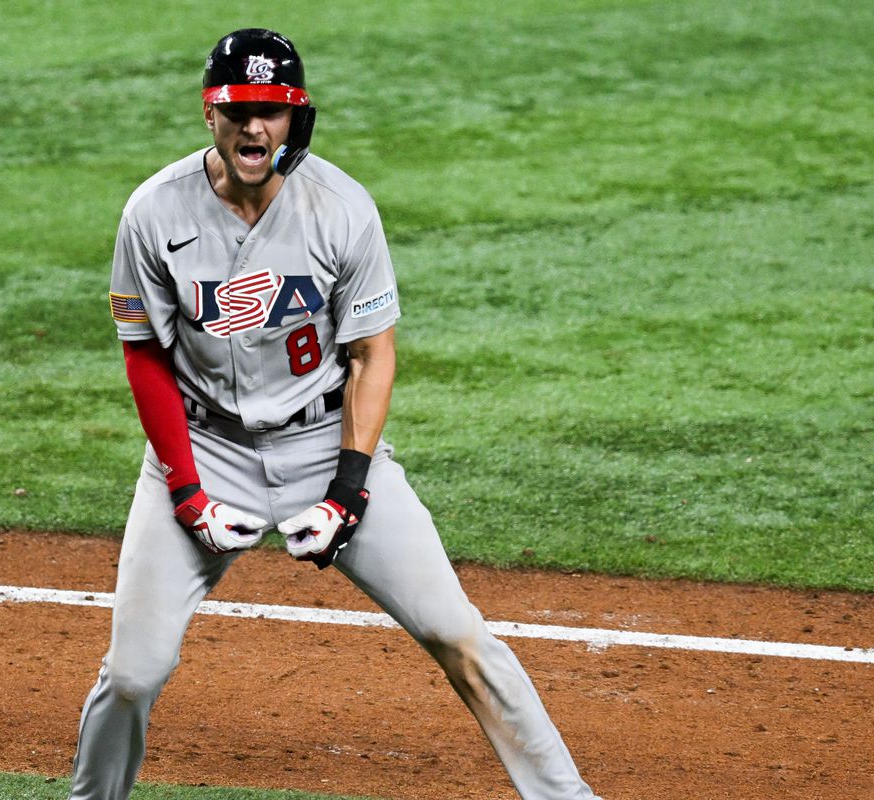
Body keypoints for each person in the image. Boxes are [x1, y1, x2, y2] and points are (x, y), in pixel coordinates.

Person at [73, 28, 601, 800]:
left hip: (326, 441)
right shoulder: (154, 214)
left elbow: (371, 355)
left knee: (458, 633)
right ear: (209, 115)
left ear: (299, 118)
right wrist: (186, 489)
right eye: (240, 109)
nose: (257, 128)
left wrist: (350, 488)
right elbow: (145, 354)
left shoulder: (342, 209)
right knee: (130, 674)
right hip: (202, 448)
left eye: (274, 111)